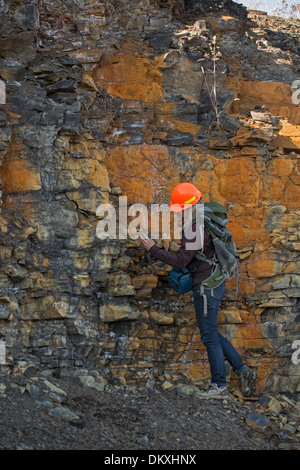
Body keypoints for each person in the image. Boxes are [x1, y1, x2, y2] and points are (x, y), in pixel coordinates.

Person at [140, 182, 257, 399]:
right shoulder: (206, 218)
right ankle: (242, 370)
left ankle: (219, 386)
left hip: (206, 286)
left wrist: (153, 249)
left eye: (180, 207)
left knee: (209, 336)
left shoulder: (195, 226)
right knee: (210, 331)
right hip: (215, 281)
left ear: (187, 205)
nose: (179, 211)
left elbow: (182, 261)